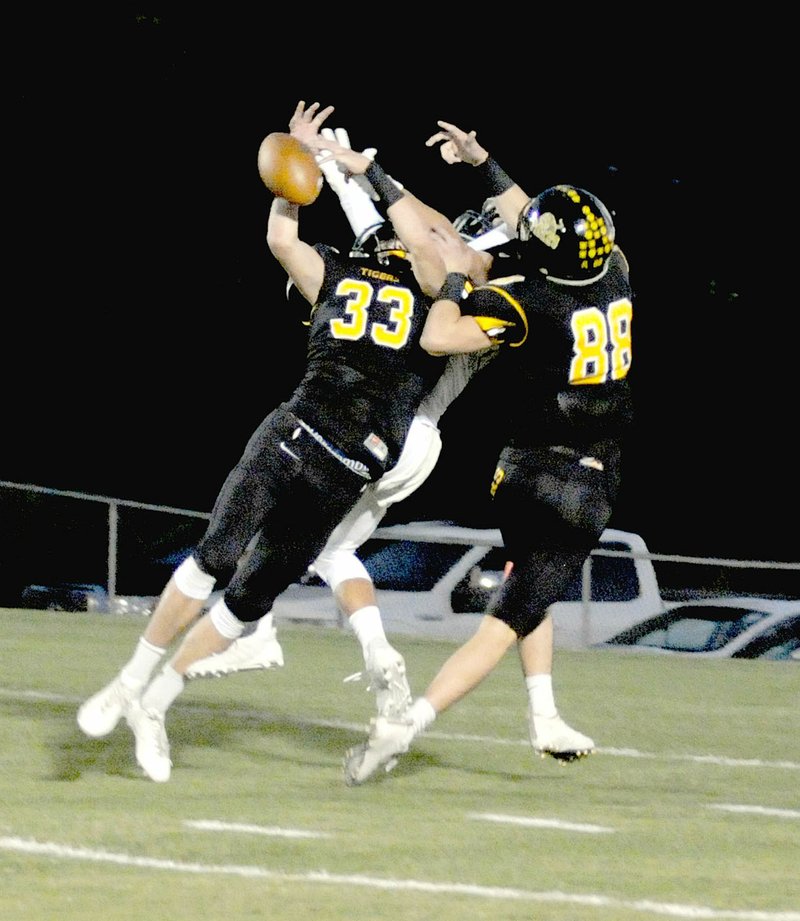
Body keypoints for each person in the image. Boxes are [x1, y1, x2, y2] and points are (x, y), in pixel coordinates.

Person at [75, 100, 466, 783]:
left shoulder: (383, 279)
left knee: (246, 597)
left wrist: (295, 185)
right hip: (310, 440)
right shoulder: (430, 296)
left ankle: (153, 701)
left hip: (336, 462)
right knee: (216, 558)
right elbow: (310, 248)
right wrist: (306, 177)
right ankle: (129, 683)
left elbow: (287, 242)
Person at [185, 126, 597, 761]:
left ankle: (268, 632)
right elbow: (391, 233)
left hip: (397, 429)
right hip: (415, 439)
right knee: (329, 547)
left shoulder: (482, 278)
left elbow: (420, 242)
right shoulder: (509, 276)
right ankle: (377, 660)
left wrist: (356, 169)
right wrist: (347, 167)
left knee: (301, 530)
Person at [341, 120, 634, 785]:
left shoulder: (528, 300)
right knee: (505, 621)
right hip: (581, 483)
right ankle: (404, 725)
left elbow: (444, 331)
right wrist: (484, 164)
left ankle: (543, 713)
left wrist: (453, 279)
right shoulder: (615, 272)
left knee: (529, 584)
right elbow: (530, 226)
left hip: (520, 469)